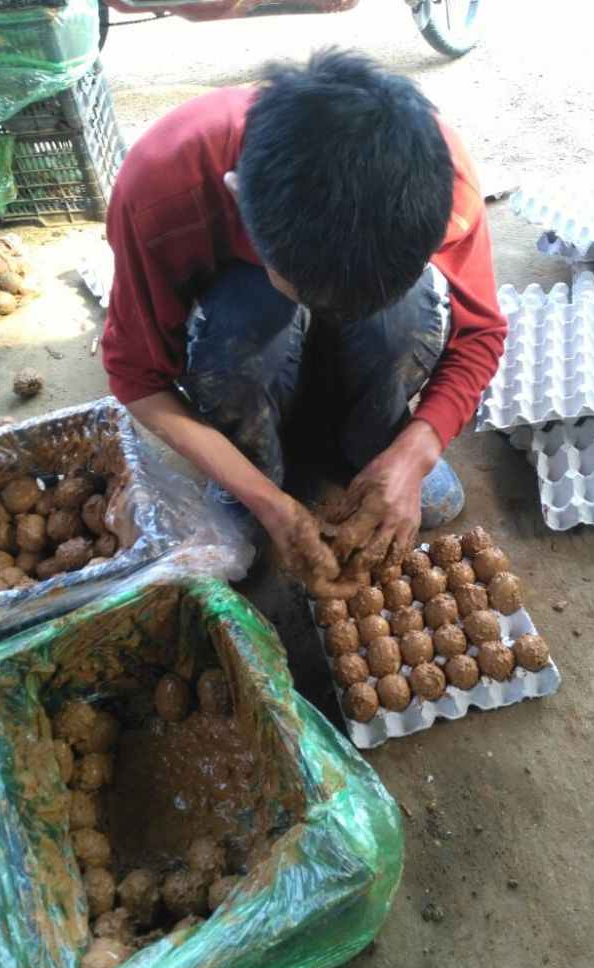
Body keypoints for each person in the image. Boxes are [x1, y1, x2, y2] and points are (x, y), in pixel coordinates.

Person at [102, 49, 506, 590]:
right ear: (238, 197)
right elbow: (137, 378)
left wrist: (418, 448)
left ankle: (375, 444)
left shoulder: (440, 178)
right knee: (247, 314)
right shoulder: (161, 186)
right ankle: (254, 458)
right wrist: (263, 498)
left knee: (405, 312)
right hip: (247, 338)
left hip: (355, 359)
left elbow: (481, 332)